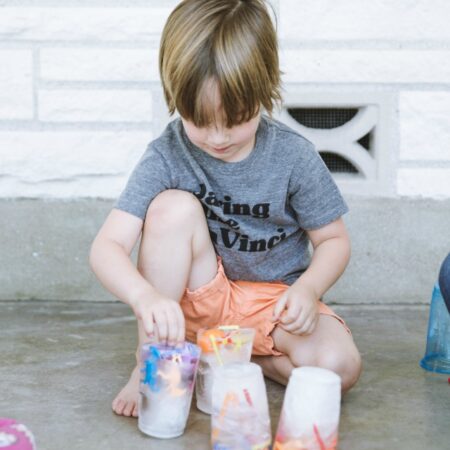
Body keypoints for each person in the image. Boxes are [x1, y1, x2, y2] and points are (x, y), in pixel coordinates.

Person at [89, 0, 362, 418]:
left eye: (235, 118)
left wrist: (307, 290)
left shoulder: (293, 156)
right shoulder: (166, 154)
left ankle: (239, 361)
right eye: (199, 119)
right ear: (173, 95)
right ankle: (153, 358)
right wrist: (144, 297)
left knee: (338, 368)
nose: (218, 137)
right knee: (170, 209)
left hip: (274, 307)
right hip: (201, 299)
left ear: (265, 89)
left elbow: (334, 241)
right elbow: (107, 245)